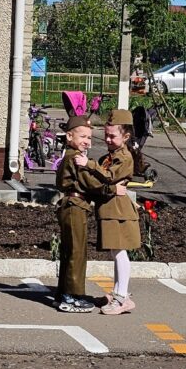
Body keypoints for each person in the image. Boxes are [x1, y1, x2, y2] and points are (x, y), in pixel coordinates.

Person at [54, 115, 127, 313]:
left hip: (71, 205)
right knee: (77, 252)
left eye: (90, 138)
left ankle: (64, 292)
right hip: (76, 205)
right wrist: (113, 190)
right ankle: (73, 297)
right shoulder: (76, 158)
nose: (87, 141)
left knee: (70, 251)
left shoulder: (69, 154)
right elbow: (90, 183)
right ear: (69, 136)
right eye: (83, 136)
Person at [75, 109, 142, 315]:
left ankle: (122, 297)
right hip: (110, 210)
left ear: (126, 136)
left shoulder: (124, 157)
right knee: (115, 252)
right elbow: (98, 181)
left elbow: (109, 176)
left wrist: (89, 164)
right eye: (106, 134)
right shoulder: (110, 156)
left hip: (119, 211)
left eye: (112, 135)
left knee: (120, 253)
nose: (107, 139)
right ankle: (117, 292)